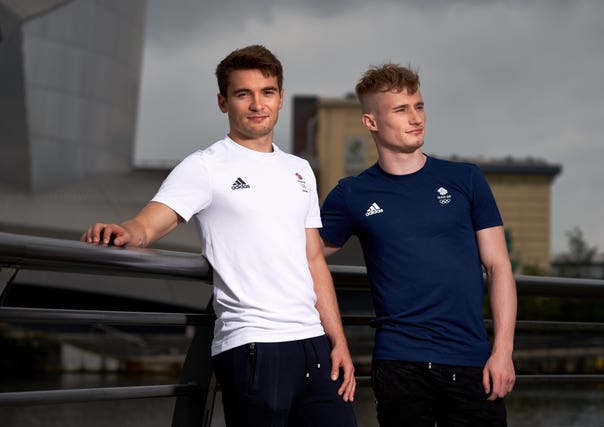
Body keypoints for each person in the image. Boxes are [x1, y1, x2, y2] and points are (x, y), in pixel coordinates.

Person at [81, 45, 357, 427]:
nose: (257, 104)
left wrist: (337, 341)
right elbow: (150, 224)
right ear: (223, 102)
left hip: (314, 345)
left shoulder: (300, 170)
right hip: (253, 346)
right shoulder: (205, 167)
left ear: (280, 99)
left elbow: (312, 259)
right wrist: (124, 231)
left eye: (267, 92)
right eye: (243, 93)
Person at [320, 63, 517, 426]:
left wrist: (503, 350)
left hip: (471, 361)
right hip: (398, 365)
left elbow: (499, 266)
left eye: (419, 106)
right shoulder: (351, 194)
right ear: (371, 122)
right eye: (401, 109)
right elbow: (304, 258)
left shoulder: (466, 179)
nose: (416, 118)